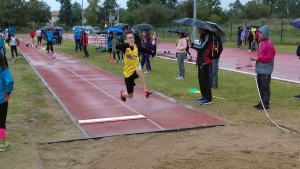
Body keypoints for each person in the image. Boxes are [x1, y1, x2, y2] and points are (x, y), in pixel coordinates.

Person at [116, 31, 154, 101]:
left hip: (135, 71)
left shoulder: (137, 47)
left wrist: (152, 53)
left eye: (132, 37)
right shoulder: (125, 48)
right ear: (125, 40)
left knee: (139, 70)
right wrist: (128, 45)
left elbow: (144, 50)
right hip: (128, 74)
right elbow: (117, 46)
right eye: (129, 38)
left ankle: (146, 91)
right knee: (130, 96)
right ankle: (122, 94)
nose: (131, 39)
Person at [251, 25, 276, 110]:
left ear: (265, 33)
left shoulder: (269, 44)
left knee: (265, 87)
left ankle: (265, 103)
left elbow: (269, 58)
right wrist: (256, 57)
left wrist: (258, 58)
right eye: (259, 33)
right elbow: (261, 54)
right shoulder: (261, 42)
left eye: (261, 33)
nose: (259, 34)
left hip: (265, 69)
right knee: (260, 86)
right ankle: (261, 102)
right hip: (260, 69)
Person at [191, 28, 213, 105]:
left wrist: (192, 45)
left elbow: (202, 47)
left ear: (204, 29)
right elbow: (200, 46)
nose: (199, 30)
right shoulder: (204, 36)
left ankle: (208, 98)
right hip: (201, 60)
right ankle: (204, 96)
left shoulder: (208, 36)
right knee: (201, 80)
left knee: (205, 80)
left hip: (205, 61)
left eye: (200, 29)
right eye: (198, 29)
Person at [0, 52, 14, 152]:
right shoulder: (4, 70)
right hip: (2, 100)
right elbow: (9, 81)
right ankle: (2, 144)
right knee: (1, 121)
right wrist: (8, 93)